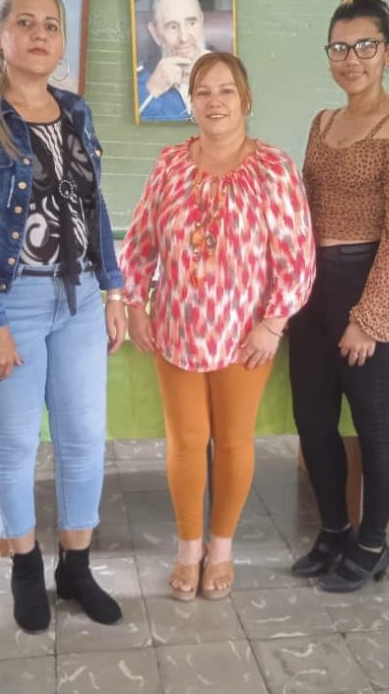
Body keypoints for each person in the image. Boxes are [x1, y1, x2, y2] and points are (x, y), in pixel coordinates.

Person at [0, 0, 126, 633]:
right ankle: (24, 566)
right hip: (8, 300)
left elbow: (93, 206)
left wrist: (114, 288)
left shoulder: (75, 111)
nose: (39, 34)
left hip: (80, 299)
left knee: (83, 440)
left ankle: (77, 568)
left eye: (51, 24)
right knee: (16, 444)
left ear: (62, 40)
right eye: (25, 22)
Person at [121, 52, 316, 601]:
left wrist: (273, 324)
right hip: (177, 328)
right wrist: (135, 304)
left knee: (232, 442)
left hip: (245, 335)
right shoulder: (169, 165)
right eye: (203, 91)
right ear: (191, 103)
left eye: (226, 90)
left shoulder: (274, 168)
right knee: (186, 442)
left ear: (246, 100)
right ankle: (189, 548)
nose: (215, 101)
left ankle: (222, 547)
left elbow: (297, 256)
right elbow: (140, 241)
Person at [287, 0, 389, 593]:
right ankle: (333, 531)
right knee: (313, 421)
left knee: (374, 426)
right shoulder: (323, 123)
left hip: (368, 284)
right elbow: (300, 211)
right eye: (340, 47)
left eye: (365, 46)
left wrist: (369, 318)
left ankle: (372, 543)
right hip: (312, 291)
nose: (351, 59)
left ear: (388, 51)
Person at [136, 0, 211, 122]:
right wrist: (151, 91)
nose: (184, 38)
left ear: (201, 23)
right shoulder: (138, 84)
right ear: (155, 33)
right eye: (172, 27)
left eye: (191, 23)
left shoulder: (229, 73)